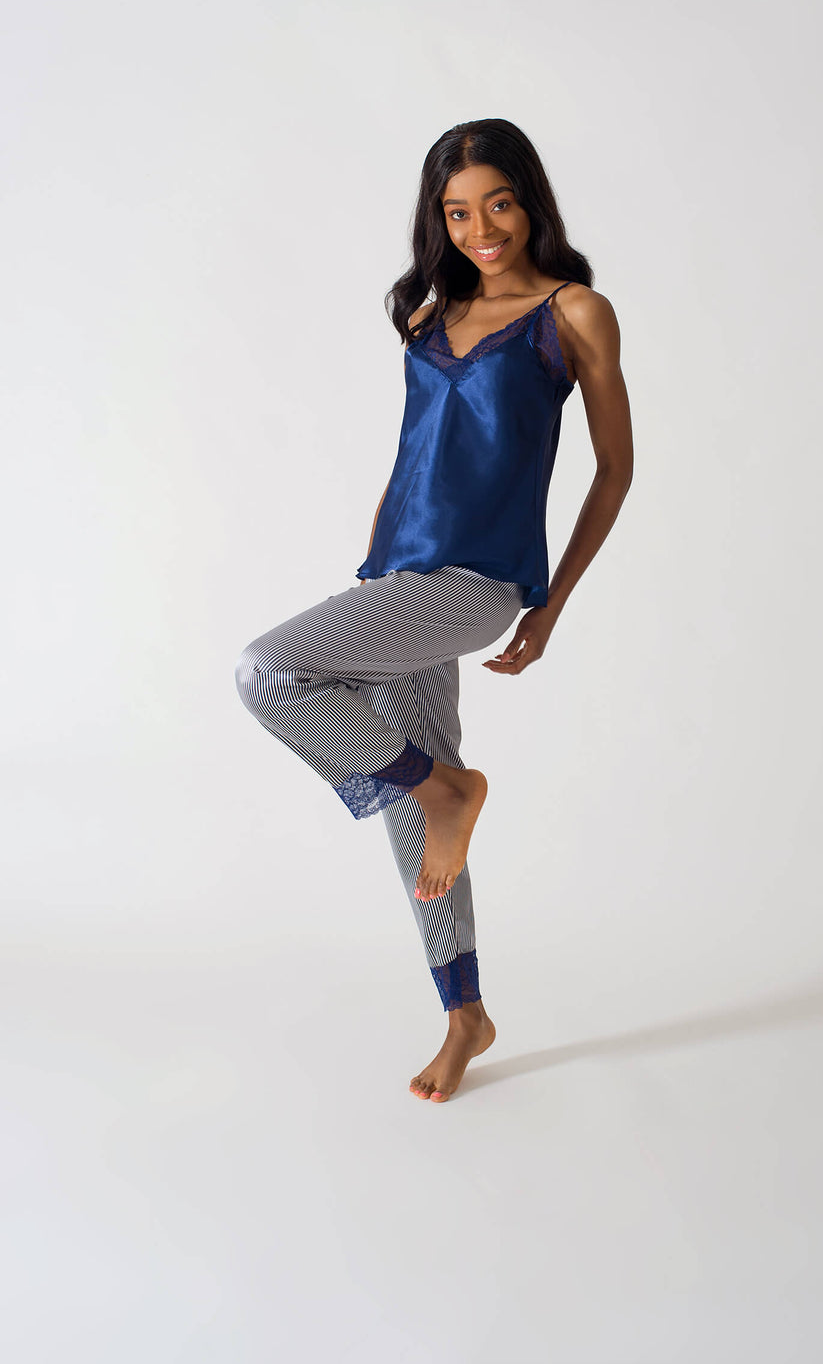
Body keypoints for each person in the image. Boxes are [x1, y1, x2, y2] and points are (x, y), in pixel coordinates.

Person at [235, 117, 633, 1103]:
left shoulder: (574, 312)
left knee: (266, 671)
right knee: (414, 819)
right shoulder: (427, 315)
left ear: (530, 201)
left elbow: (614, 472)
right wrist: (373, 574)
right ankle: (465, 1016)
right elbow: (413, 453)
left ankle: (446, 791)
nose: (480, 229)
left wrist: (547, 607)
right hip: (399, 580)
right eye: (457, 213)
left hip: (475, 583)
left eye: (497, 204)